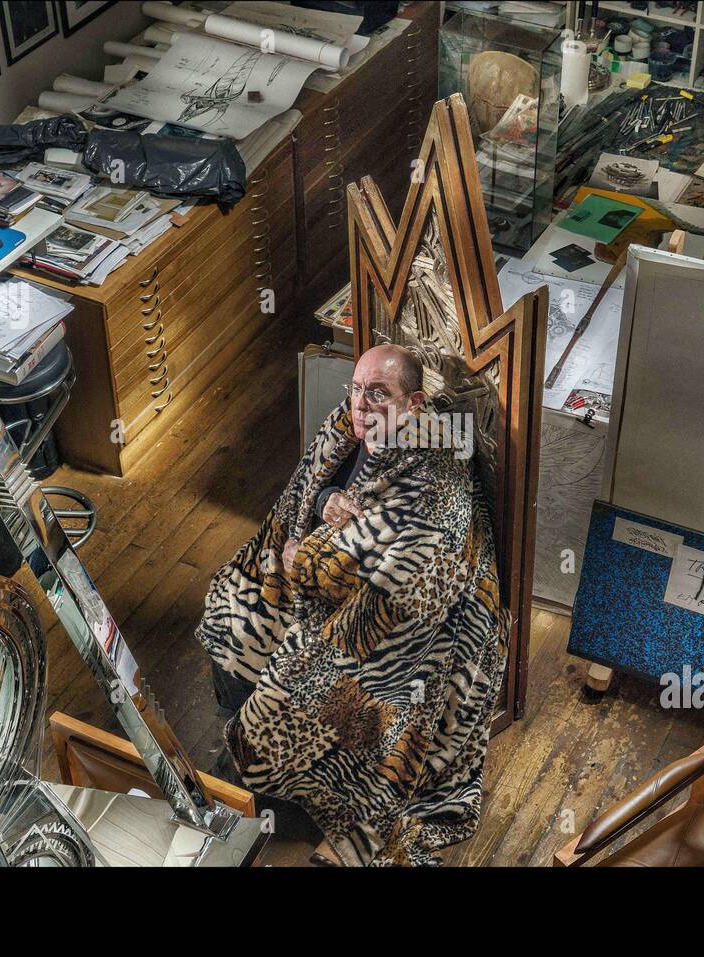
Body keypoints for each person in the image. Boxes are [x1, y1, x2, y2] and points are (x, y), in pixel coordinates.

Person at [197, 344, 507, 866]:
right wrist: (323, 507)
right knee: (233, 614)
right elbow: (304, 491)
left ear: (412, 403)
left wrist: (308, 556)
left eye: (377, 393)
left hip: (391, 635)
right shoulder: (350, 427)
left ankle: (294, 799)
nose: (360, 404)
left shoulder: (438, 474)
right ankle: (256, 777)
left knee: (298, 691)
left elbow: (405, 585)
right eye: (357, 388)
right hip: (316, 585)